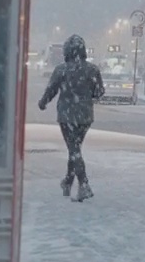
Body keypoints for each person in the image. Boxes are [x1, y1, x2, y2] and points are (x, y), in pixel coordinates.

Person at [38, 34, 104, 201]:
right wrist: (87, 95)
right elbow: (99, 92)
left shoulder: (62, 69)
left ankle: (83, 185)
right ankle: (68, 181)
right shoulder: (93, 69)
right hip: (85, 116)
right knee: (75, 149)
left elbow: (51, 89)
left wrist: (43, 102)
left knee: (74, 150)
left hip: (67, 116)